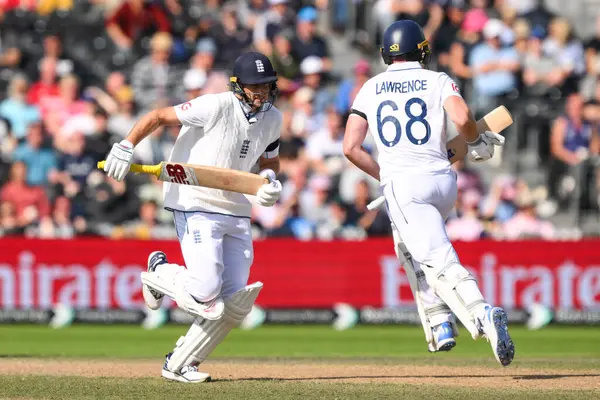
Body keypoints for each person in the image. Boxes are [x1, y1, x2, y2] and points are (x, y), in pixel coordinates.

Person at [102, 52, 283, 382]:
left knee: (232, 304)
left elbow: (269, 163)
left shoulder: (275, 119)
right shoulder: (214, 105)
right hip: (193, 198)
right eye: (254, 87)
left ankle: (180, 364)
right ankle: (159, 270)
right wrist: (126, 144)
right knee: (205, 295)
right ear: (238, 87)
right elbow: (158, 116)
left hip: (236, 206)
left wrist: (268, 184)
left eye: (266, 87)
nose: (261, 94)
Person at [342, 20, 514, 366]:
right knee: (407, 244)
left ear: (385, 54)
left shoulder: (371, 87)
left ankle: (481, 313)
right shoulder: (437, 79)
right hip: (442, 180)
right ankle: (438, 320)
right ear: (422, 50)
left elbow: (350, 147)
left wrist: (384, 175)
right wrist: (472, 140)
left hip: (405, 186)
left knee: (437, 259)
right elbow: (463, 116)